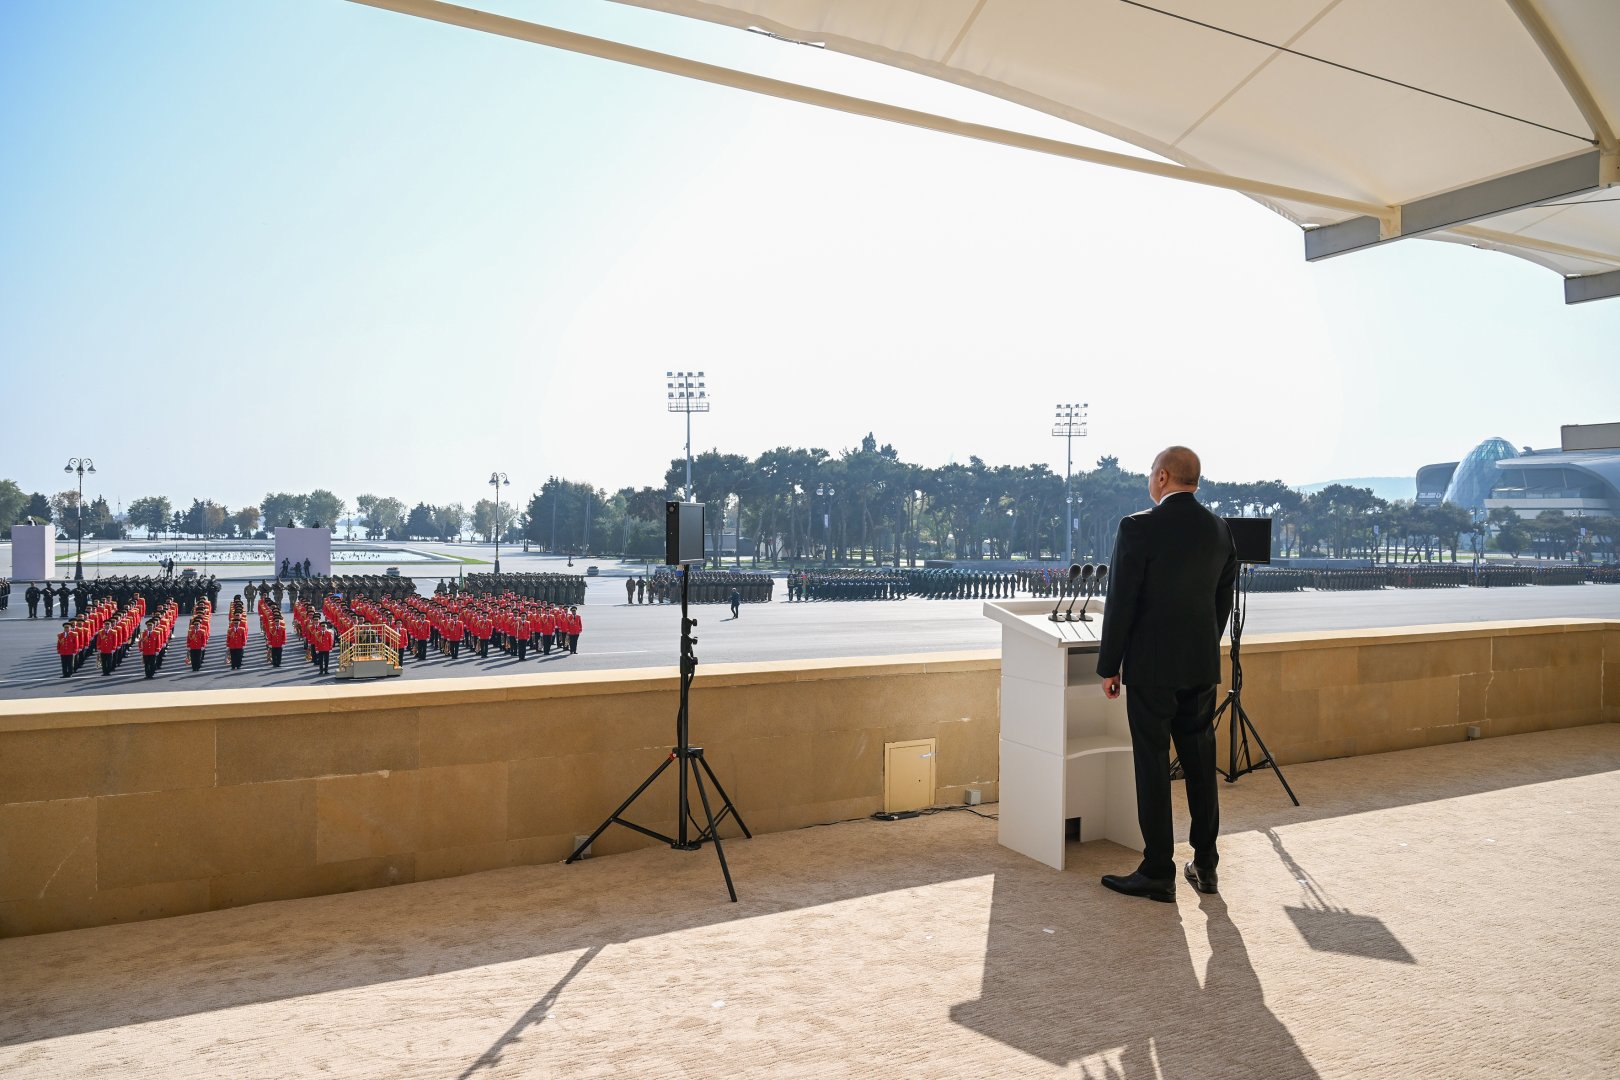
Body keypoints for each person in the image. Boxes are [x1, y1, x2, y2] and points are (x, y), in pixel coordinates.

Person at [1096, 446, 1237, 904]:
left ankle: (1158, 870)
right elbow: (1222, 602)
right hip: (1199, 666)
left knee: (1153, 765)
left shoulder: (1137, 527)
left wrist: (1109, 664)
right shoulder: (1219, 529)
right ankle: (1207, 865)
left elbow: (1122, 602)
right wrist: (1201, 646)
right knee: (1200, 766)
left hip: (1152, 669)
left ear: (1162, 476)